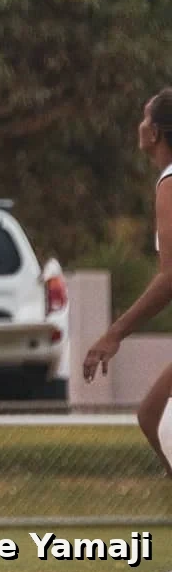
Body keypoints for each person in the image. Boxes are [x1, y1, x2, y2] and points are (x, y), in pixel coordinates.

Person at [84, 89, 172, 477]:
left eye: (143, 118)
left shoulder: (169, 182)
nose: (138, 125)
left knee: (154, 416)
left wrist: (115, 333)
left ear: (154, 133)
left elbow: (170, 276)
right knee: (154, 417)